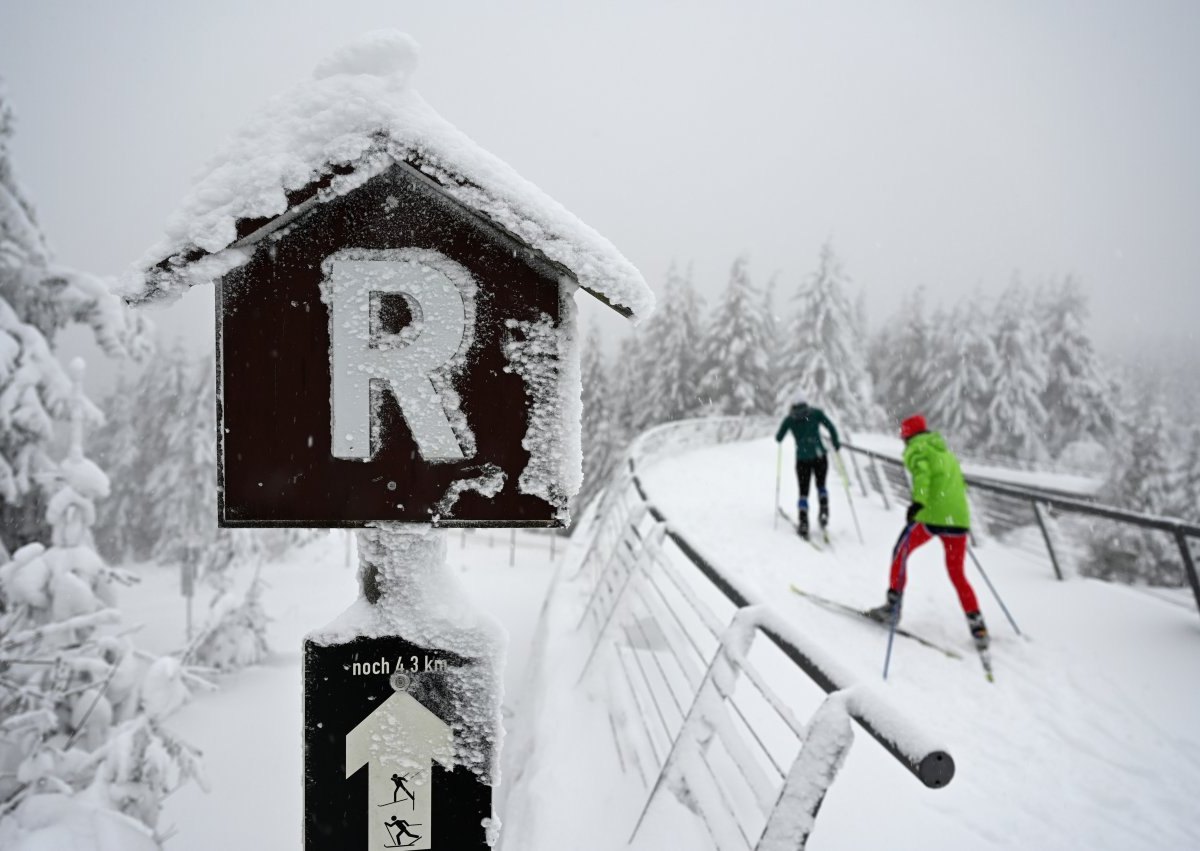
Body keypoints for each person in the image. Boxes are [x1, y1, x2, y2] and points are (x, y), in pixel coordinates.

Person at [866, 414, 988, 651]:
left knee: (900, 552)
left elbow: (923, 475)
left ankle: (892, 607)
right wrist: (954, 516)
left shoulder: (917, 448)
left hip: (932, 515)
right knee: (957, 573)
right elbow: (955, 483)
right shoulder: (945, 452)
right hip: (958, 519)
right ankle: (978, 625)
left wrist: (918, 503)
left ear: (908, 435)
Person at [775, 395, 841, 539]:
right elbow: (831, 426)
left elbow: (778, 437)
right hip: (820, 457)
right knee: (821, 486)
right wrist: (835, 442)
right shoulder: (816, 413)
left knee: (803, 492)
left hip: (802, 460)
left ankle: (804, 522)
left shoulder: (790, 419)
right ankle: (824, 511)